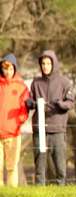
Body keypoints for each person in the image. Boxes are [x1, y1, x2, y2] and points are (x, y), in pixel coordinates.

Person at [30, 50, 74, 185]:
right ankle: (39, 190)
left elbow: (71, 102)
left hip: (58, 129)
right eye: (43, 63)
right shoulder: (36, 83)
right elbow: (29, 101)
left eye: (48, 63)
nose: (45, 66)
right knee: (40, 164)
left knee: (60, 165)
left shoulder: (64, 82)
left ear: (54, 64)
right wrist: (30, 103)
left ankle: (61, 190)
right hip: (40, 129)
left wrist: (61, 104)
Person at [0, 54, 31, 187]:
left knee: (12, 166)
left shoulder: (21, 86)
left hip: (13, 133)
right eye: (5, 68)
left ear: (15, 69)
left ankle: (12, 193)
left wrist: (19, 121)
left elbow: (25, 108)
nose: (8, 72)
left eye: (11, 69)